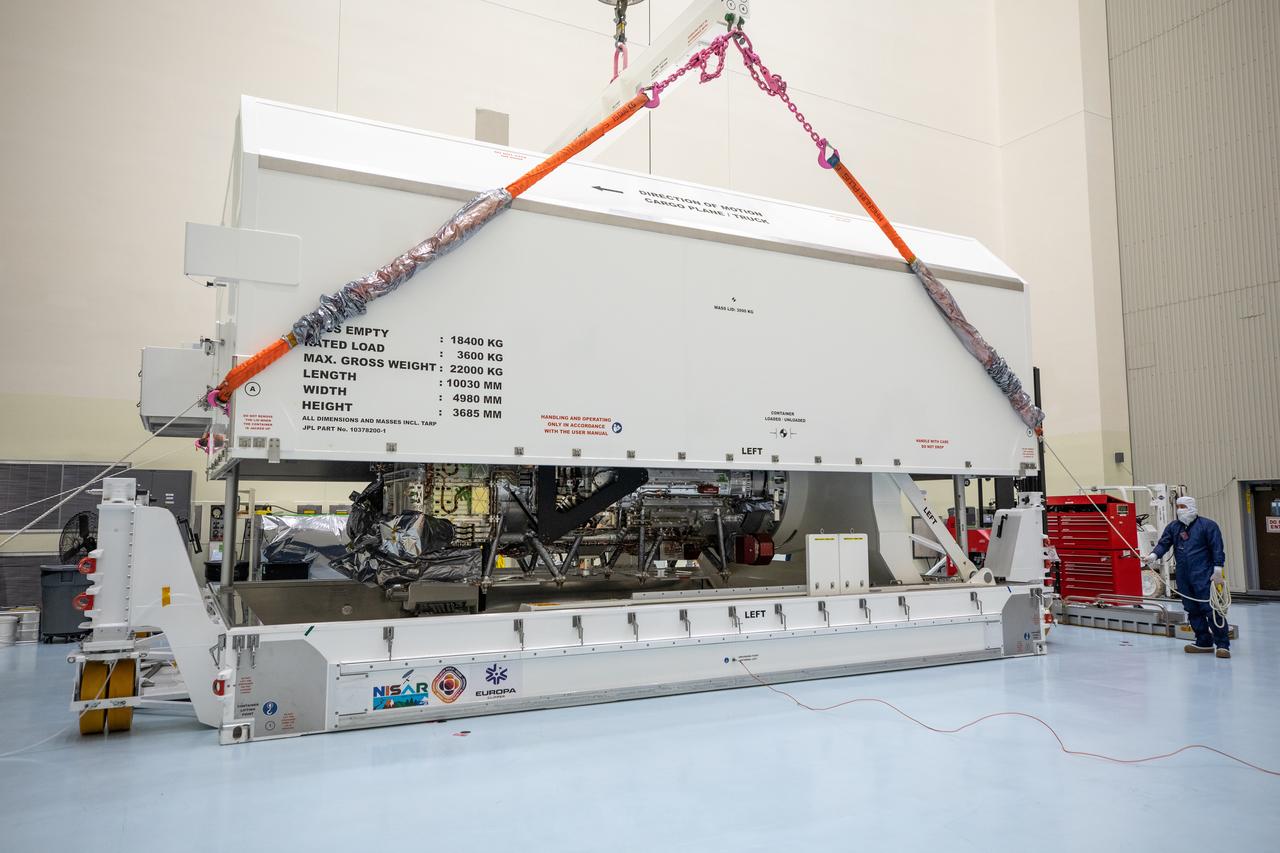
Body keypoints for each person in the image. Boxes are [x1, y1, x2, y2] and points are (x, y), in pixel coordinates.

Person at [1144, 496, 1230, 658]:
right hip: (1184, 575)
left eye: (1183, 506)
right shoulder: (1174, 527)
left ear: (1192, 507)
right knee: (1192, 609)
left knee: (1211, 609)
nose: (1179, 510)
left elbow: (1217, 548)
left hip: (1204, 574)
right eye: (1178, 506)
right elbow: (1164, 543)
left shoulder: (1208, 526)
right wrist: (1153, 556)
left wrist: (1218, 569)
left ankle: (1222, 644)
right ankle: (1203, 642)